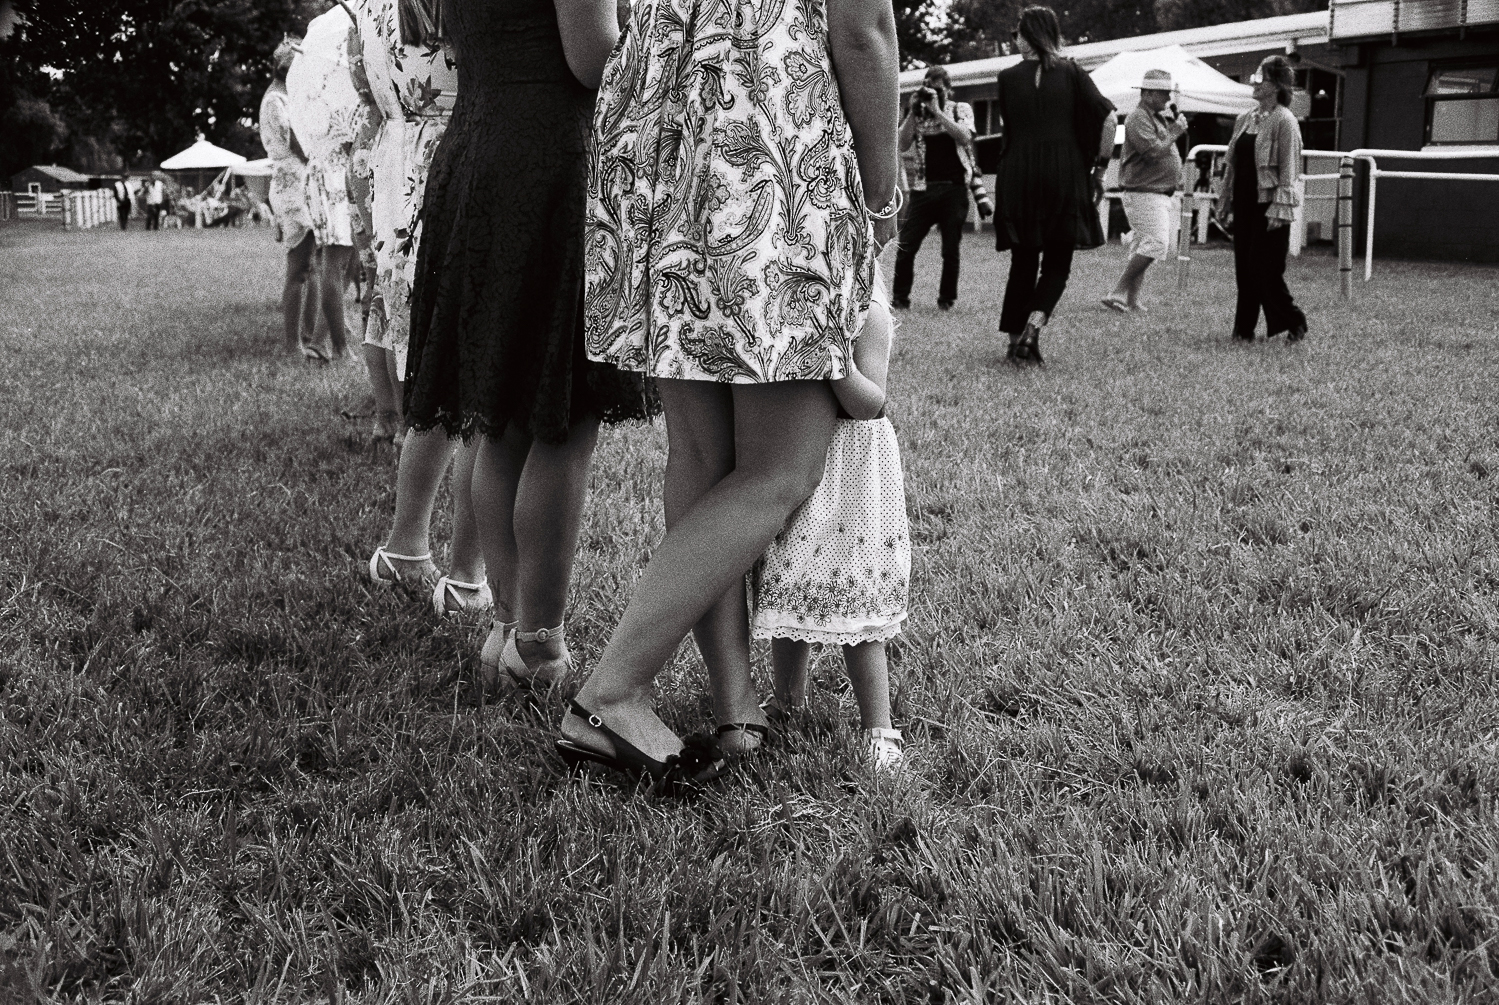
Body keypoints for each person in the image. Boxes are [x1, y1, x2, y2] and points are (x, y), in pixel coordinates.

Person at [564, 0, 899, 783]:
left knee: (703, 453)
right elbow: (862, 28)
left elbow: (593, 46)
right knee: (780, 470)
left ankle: (737, 711)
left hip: (664, 122)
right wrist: (877, 196)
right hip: (767, 117)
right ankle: (609, 692)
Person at [402, 0, 656, 682]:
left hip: (481, 147)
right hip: (547, 161)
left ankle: (509, 629)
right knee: (559, 418)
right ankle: (538, 643)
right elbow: (592, 56)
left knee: (505, 416)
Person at [357, 0, 489, 618]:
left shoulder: (368, 7)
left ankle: (405, 546)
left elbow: (365, 89)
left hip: (398, 167)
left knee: (434, 378)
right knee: (478, 383)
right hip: (461, 162)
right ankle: (465, 572)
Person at [753, 264, 910, 770]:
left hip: (854, 481)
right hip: (802, 462)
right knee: (790, 586)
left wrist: (831, 358)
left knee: (857, 607)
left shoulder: (870, 315)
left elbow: (871, 403)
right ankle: (787, 702)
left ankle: (879, 727)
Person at [991, 5, 1115, 364]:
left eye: (1018, 32)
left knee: (1023, 260)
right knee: (1057, 263)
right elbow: (1108, 120)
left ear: (1029, 35)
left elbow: (1010, 131)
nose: (1015, 39)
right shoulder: (1073, 72)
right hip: (1064, 175)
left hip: (1019, 175)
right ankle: (1033, 327)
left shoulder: (1006, 78)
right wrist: (1100, 171)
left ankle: (1015, 343)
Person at [291, 5, 364, 362]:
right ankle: (339, 348)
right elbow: (351, 139)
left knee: (342, 264)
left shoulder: (312, 92)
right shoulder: (337, 96)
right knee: (334, 266)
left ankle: (321, 339)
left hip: (324, 176)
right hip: (334, 181)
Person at [1217, 55, 1307, 343]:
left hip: (1270, 205)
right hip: (1244, 202)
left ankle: (1295, 321)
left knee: (1263, 267)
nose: (1253, 84)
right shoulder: (1244, 119)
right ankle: (1243, 330)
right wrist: (1225, 199)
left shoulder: (1285, 120)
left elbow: (1289, 171)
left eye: (1261, 78)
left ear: (1277, 85)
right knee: (1244, 267)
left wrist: (1279, 209)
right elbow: (1232, 164)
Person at [1102, 68, 1188, 314]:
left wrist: (1170, 129)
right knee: (1157, 243)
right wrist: (1174, 132)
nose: (1168, 99)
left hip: (1156, 192)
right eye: (1163, 94)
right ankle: (1117, 291)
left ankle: (1131, 300)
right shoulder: (1138, 118)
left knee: (1143, 243)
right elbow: (1151, 152)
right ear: (1148, 94)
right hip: (1144, 191)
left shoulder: (1157, 117)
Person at [892, 66, 975, 311]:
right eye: (930, 89)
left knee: (950, 249)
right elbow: (903, 144)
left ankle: (946, 299)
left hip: (954, 188)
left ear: (948, 89)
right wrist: (912, 110)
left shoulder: (961, 109)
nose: (934, 94)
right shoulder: (918, 114)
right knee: (906, 245)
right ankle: (900, 298)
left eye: (939, 89)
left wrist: (938, 111)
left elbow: (964, 137)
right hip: (923, 188)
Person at [259, 37, 320, 356]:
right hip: (291, 184)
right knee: (298, 268)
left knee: (308, 266)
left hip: (295, 182)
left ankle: (307, 335)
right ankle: (292, 344)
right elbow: (299, 143)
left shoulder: (281, 96)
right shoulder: (277, 100)